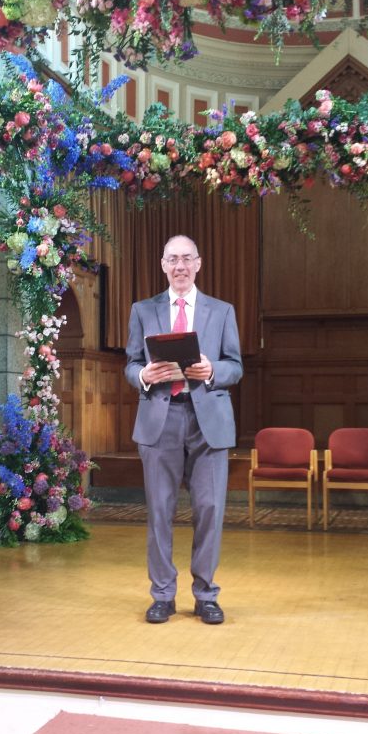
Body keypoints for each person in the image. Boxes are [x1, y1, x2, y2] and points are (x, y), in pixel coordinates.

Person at [125, 235, 243, 625]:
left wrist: (213, 371)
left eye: (186, 259)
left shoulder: (222, 311)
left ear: (198, 263)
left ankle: (206, 594)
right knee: (160, 511)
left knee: (209, 509)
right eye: (172, 259)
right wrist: (142, 374)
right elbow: (130, 363)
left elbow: (235, 366)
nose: (179, 266)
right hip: (161, 418)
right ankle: (162, 595)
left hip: (207, 420)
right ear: (163, 265)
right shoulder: (142, 310)